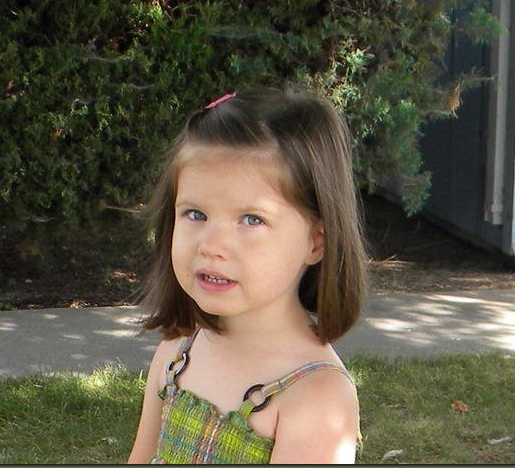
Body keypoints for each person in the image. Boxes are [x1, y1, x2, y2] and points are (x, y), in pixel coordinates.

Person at [127, 86, 369, 464]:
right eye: (196, 214)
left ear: (316, 242)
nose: (212, 245)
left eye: (251, 220)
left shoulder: (317, 396)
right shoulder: (178, 353)